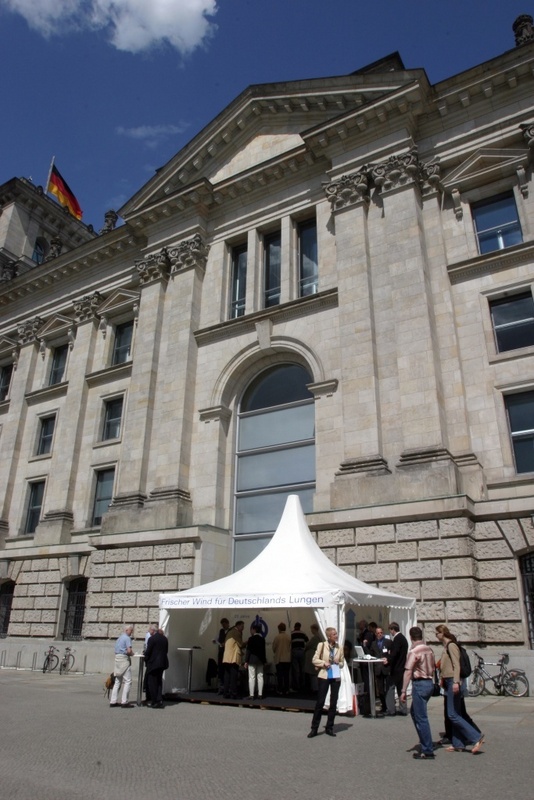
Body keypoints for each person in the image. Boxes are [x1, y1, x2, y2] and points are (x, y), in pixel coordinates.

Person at [436, 624, 485, 754]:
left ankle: (476, 737)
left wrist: (456, 682)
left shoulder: (451, 645)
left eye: (437, 633)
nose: (436, 636)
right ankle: (458, 743)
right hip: (448, 680)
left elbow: (456, 664)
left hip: (452, 680)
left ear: (442, 633)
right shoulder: (446, 646)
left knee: (452, 714)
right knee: (455, 713)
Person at [400, 626, 436, 759]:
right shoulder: (429, 649)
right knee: (415, 713)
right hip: (429, 683)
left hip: (420, 683)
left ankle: (427, 749)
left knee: (421, 717)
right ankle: (425, 741)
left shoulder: (414, 651)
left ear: (410, 637)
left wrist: (403, 690)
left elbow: (408, 670)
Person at [308, 626, 345, 738]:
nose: (336, 636)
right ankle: (314, 728)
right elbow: (314, 659)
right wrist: (324, 663)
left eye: (336, 634)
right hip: (324, 675)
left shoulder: (339, 647)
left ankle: (330, 727)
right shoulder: (322, 645)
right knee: (320, 702)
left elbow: (343, 663)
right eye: (334, 634)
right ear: (329, 636)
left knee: (333, 702)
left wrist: (339, 662)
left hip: (335, 676)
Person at [383, 621, 408, 716]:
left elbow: (395, 653)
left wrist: (388, 659)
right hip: (402, 667)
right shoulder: (404, 639)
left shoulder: (397, 639)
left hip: (396, 668)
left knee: (390, 688)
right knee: (401, 689)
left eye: (390, 630)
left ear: (393, 630)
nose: (390, 632)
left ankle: (391, 710)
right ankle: (403, 709)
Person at [110, 624, 135, 708]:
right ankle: (124, 701)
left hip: (117, 658)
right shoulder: (127, 638)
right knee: (128, 681)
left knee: (117, 681)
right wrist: (133, 654)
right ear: (127, 630)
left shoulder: (120, 638)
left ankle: (113, 701)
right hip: (124, 659)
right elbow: (129, 651)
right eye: (131, 630)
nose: (132, 632)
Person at [144, 627, 169, 708]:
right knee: (159, 682)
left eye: (150, 630)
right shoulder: (165, 639)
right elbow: (166, 651)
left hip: (153, 663)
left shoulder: (152, 639)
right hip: (162, 663)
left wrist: (146, 659)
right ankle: (159, 699)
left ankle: (154, 701)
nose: (149, 631)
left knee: (152, 682)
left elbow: (148, 651)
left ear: (153, 631)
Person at [222, 620, 244, 699]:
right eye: (242, 626)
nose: (243, 628)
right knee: (233, 677)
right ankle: (233, 693)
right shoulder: (236, 633)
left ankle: (225, 693)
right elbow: (240, 644)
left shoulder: (229, 632)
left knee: (227, 676)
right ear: (237, 626)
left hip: (227, 657)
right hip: (233, 658)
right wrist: (248, 642)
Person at [245, 623, 267, 699]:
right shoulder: (262, 639)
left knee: (251, 677)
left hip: (252, 660)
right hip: (260, 660)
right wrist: (264, 661)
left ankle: (251, 694)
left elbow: (248, 651)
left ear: (254, 630)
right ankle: (260, 694)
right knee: (260, 676)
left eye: (251, 629)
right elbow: (264, 651)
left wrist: (246, 661)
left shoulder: (250, 639)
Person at [370, 626, 388, 713]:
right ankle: (383, 705)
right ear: (375, 634)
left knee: (387, 687)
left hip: (386, 668)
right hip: (378, 668)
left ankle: (389, 705)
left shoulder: (388, 642)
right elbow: (371, 654)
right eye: (378, 633)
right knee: (380, 689)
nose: (380, 634)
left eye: (381, 632)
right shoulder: (373, 643)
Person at [272, 622, 291, 695]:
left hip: (279, 658)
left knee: (280, 675)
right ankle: (286, 689)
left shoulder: (277, 637)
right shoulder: (288, 637)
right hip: (287, 659)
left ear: (279, 629)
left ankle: (280, 689)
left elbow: (274, 647)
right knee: (286, 675)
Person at [304, 623, 322, 693]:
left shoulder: (315, 638)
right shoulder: (319, 637)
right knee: (314, 673)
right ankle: (315, 688)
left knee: (313, 674)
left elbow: (308, 645)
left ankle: (314, 688)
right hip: (316, 655)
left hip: (312, 656)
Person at [290, 622, 309, 691]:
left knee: (296, 669)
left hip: (294, 651)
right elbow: (308, 642)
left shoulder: (292, 633)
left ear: (294, 626)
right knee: (302, 669)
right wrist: (305, 649)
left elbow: (289, 643)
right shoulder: (303, 633)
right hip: (302, 651)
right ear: (300, 627)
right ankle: (302, 685)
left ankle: (296, 686)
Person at [215, 618, 230, 694]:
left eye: (224, 624)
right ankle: (221, 687)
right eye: (222, 625)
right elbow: (217, 639)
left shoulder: (230, 631)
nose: (223, 626)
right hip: (221, 652)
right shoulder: (221, 631)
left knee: (227, 670)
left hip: (228, 653)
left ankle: (227, 687)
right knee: (220, 669)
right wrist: (217, 642)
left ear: (227, 624)